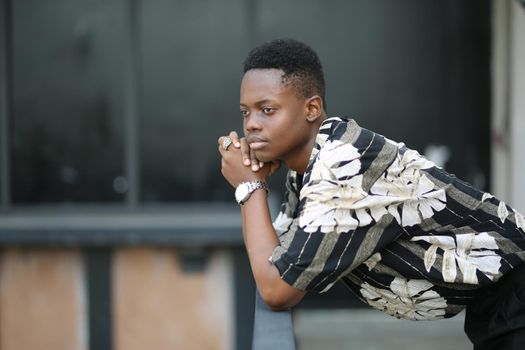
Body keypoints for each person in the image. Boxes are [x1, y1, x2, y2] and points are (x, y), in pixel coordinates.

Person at [217, 38, 525, 349]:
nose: (252, 125)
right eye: (245, 112)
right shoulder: (315, 163)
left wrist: (250, 187)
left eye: (267, 110)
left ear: (312, 108)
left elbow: (277, 289)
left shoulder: (341, 165)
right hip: (500, 305)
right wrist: (255, 180)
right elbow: (281, 255)